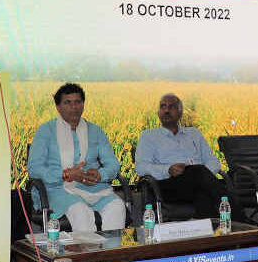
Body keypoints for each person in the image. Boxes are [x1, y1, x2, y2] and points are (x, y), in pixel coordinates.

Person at [27, 83, 126, 232]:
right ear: (58, 107)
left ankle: (109, 254)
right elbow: (34, 168)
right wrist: (66, 174)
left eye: (78, 102)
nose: (74, 107)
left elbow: (113, 164)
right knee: (81, 212)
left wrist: (100, 174)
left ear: (83, 104)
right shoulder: (46, 131)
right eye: (68, 102)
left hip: (94, 188)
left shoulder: (95, 131)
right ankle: (87, 255)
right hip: (57, 189)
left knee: (117, 207)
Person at [135, 93, 245, 222]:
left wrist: (202, 175)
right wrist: (168, 169)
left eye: (172, 107)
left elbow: (213, 161)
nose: (166, 110)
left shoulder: (194, 134)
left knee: (202, 190)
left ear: (181, 112)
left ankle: (208, 232)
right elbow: (141, 167)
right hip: (167, 185)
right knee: (199, 174)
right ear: (158, 112)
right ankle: (243, 222)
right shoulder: (148, 136)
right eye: (163, 107)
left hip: (197, 183)